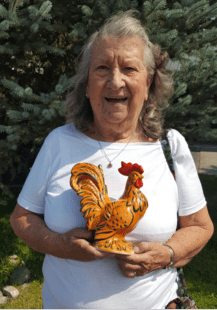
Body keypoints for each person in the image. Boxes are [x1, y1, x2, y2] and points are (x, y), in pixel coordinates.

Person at [10, 10, 214, 309]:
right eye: (102, 68)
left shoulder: (171, 146)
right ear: (87, 83)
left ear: (148, 84)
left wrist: (165, 255)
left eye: (129, 69)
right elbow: (21, 218)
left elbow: (200, 226)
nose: (114, 81)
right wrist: (60, 246)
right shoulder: (59, 142)